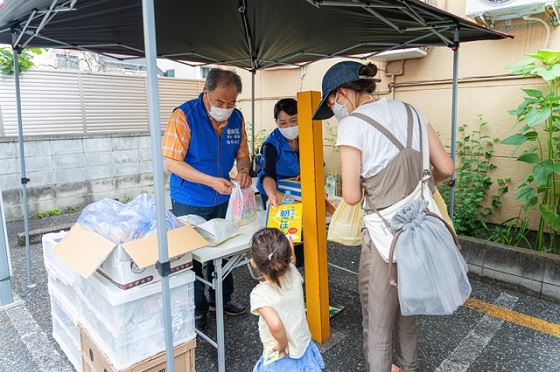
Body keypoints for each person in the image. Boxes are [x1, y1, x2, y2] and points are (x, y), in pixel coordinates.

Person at [312, 61, 454, 372]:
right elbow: (446, 167)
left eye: (333, 101)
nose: (334, 109)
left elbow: (350, 195)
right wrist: (417, 191)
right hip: (420, 229)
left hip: (383, 238)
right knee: (407, 309)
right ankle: (408, 367)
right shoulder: (412, 112)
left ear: (343, 93)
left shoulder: (353, 125)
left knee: (377, 320)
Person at [162, 67, 253, 331]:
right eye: (219, 102)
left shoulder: (236, 119)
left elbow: (243, 154)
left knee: (224, 250)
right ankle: (197, 307)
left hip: (224, 196)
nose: (225, 107)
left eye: (231, 102)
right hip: (189, 198)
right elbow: (172, 163)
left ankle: (221, 300)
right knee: (192, 255)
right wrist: (210, 180)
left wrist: (244, 171)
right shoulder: (184, 115)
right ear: (205, 93)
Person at [249, 228, 325, 372]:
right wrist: (290, 244)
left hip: (282, 357)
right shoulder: (293, 273)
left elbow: (276, 325)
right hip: (302, 345)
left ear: (254, 263)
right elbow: (292, 261)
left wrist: (282, 344)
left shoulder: (259, 295)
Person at [255, 98, 304, 267]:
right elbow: (267, 174)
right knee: (280, 234)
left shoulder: (305, 136)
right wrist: (272, 195)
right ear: (276, 122)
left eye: (293, 121)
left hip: (295, 190)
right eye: (282, 123)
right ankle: (280, 269)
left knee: (300, 231)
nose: (289, 127)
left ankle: (299, 267)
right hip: (274, 190)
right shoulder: (271, 144)